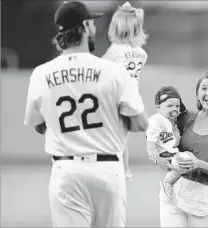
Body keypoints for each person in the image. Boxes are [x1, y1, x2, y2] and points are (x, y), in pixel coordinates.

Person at [24, 1, 148, 227]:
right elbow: (140, 124)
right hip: (108, 169)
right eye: (91, 22)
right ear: (86, 27)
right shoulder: (113, 70)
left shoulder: (41, 73)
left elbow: (37, 123)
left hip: (66, 170)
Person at [154, 72, 208, 227]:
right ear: (197, 94)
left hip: (204, 202)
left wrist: (198, 163)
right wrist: (161, 158)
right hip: (173, 194)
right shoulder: (185, 118)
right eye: (204, 89)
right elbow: (160, 141)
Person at [102, 1, 148, 181]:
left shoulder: (113, 52)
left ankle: (118, 169)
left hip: (115, 98)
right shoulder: (141, 53)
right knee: (122, 140)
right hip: (132, 97)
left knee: (112, 137)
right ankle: (125, 170)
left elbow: (101, 70)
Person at [146, 86, 192, 201]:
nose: (174, 109)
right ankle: (167, 185)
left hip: (172, 153)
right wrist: (158, 160)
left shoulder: (173, 121)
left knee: (190, 165)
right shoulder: (157, 121)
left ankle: (178, 193)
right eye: (169, 106)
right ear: (158, 108)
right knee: (186, 160)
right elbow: (150, 146)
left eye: (177, 106)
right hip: (163, 155)